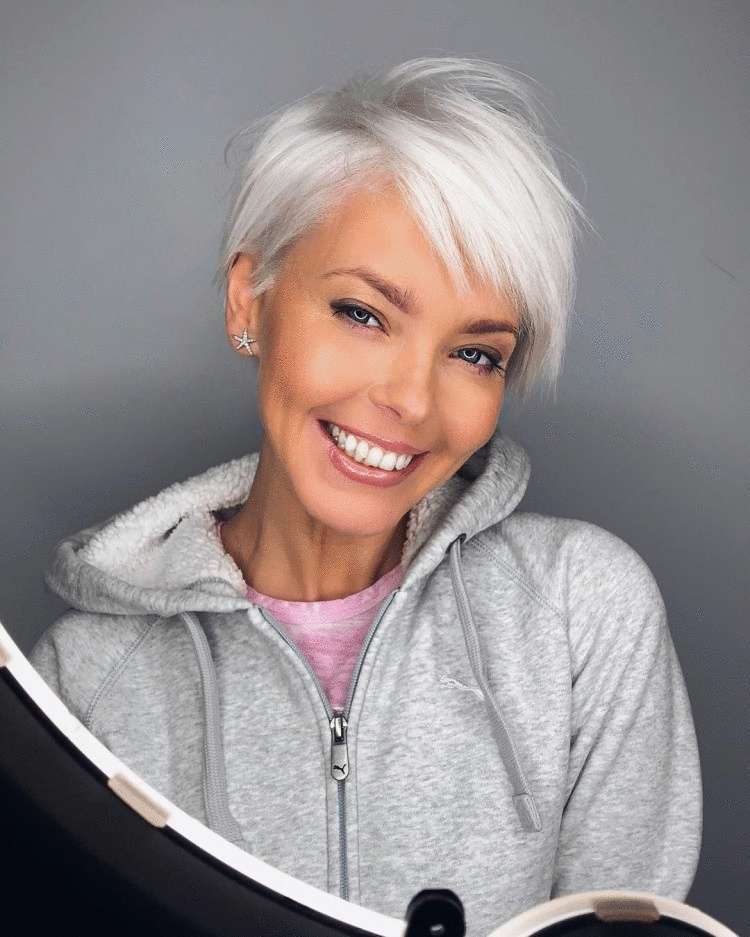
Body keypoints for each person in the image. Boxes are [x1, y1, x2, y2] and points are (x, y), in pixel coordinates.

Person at [29, 56, 702, 937]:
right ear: (249, 300)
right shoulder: (82, 687)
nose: (412, 401)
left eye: (475, 353)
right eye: (363, 313)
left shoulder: (583, 614)